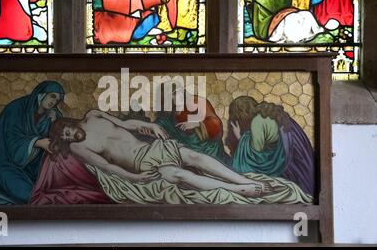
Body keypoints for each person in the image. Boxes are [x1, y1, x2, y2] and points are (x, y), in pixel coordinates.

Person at [48, 111, 273, 198]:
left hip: (150, 148)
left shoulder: (93, 115)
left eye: (68, 132)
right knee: (178, 174)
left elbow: (126, 124)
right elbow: (106, 167)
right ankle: (239, 189)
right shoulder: (78, 147)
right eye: (66, 138)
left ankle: (245, 180)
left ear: (69, 123)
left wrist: (152, 128)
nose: (71, 137)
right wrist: (135, 178)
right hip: (140, 163)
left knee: (193, 157)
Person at [0, 81, 65, 205]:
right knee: (30, 196)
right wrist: (37, 142)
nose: (54, 102)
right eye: (52, 96)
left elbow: (60, 141)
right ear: (41, 93)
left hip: (31, 168)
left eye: (57, 100)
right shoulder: (16, 109)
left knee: (59, 187)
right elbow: (12, 143)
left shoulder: (51, 115)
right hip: (3, 165)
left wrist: (55, 123)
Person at [226, 96, 315, 195]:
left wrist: (240, 137)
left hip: (287, 160)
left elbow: (256, 153)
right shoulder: (265, 113)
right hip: (297, 151)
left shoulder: (257, 122)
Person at [154, 87, 232, 167]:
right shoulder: (169, 116)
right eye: (174, 93)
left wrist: (197, 124)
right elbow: (159, 124)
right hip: (189, 153)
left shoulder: (196, 101)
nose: (180, 95)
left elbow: (216, 124)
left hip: (208, 148)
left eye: (180, 91)